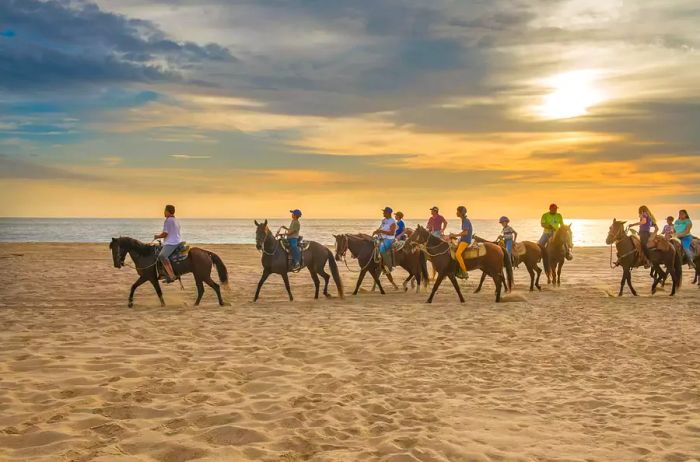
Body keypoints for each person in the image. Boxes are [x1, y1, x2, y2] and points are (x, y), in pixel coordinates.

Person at [153, 204, 182, 283]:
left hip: (172, 243)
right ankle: (162, 273)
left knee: (162, 256)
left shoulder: (168, 220)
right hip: (178, 241)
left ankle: (171, 275)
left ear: (168, 211)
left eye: (165, 211)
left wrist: (157, 236)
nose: (164, 213)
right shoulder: (176, 220)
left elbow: (165, 234)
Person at [449, 206, 472, 274]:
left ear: (461, 213)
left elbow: (465, 233)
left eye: (457, 211)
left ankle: (464, 272)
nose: (456, 213)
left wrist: (455, 235)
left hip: (466, 241)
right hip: (462, 239)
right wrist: (454, 236)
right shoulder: (463, 220)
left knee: (458, 254)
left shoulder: (466, 220)